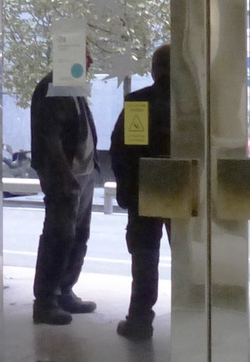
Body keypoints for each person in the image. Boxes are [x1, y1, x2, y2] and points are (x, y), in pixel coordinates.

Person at [29, 56, 99, 325]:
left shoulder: (73, 87)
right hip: (64, 178)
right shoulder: (52, 87)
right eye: (84, 54)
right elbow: (49, 139)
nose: (91, 61)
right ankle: (45, 300)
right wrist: (63, 178)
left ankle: (64, 291)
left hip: (83, 176)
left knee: (79, 235)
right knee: (58, 236)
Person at [109, 44, 171, 340]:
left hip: (145, 189)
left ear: (154, 70)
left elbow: (121, 150)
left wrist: (126, 191)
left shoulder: (138, 102)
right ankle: (198, 318)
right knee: (189, 256)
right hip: (185, 189)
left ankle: (140, 320)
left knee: (145, 257)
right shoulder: (194, 102)